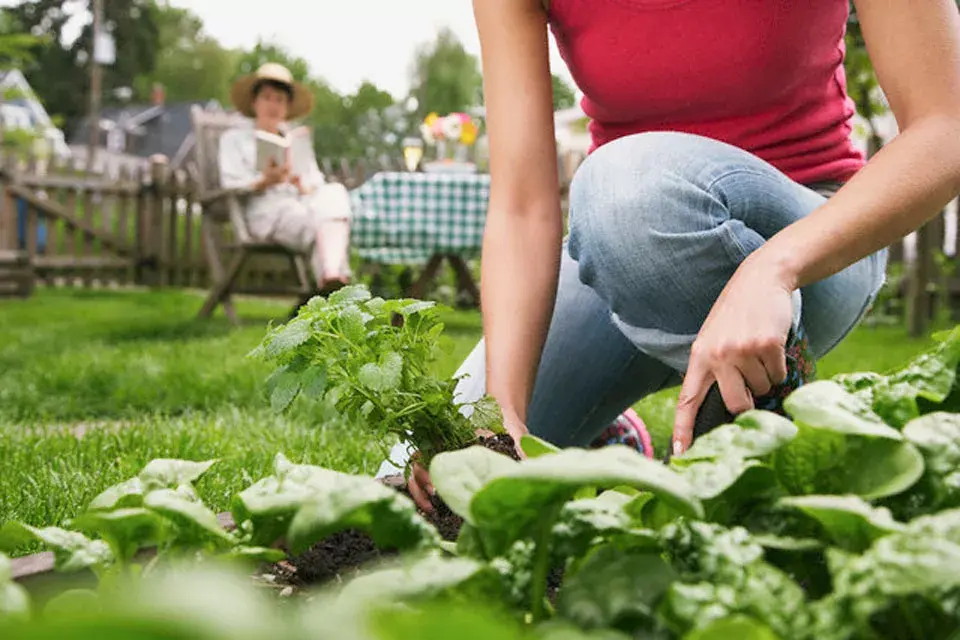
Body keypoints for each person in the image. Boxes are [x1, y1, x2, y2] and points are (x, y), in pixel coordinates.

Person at [402, 0, 960, 511]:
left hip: (814, 240)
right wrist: (500, 415)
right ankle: (611, 440)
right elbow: (522, 205)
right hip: (622, 241)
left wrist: (773, 267)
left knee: (627, 186)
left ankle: (766, 432)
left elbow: (946, 126)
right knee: (438, 483)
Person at [219, 63, 352, 291]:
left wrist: (300, 184)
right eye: (267, 97)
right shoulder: (234, 140)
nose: (273, 105)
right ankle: (335, 281)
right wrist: (264, 182)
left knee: (335, 192)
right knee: (329, 225)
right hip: (266, 214)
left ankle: (331, 276)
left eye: (279, 100)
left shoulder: (296, 141)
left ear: (287, 107)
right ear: (254, 102)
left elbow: (315, 185)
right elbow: (230, 183)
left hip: (302, 205)